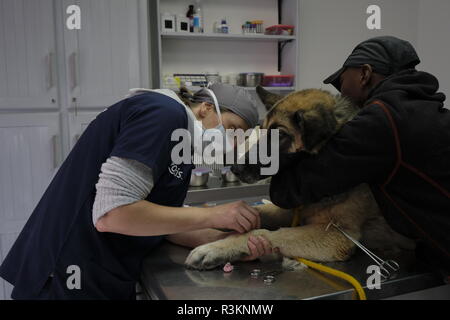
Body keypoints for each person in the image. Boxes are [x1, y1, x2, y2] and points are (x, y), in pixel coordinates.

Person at [0, 83, 274, 300]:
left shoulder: (182, 146)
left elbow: (163, 223)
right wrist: (214, 215)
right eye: (231, 129)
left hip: (101, 272)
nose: (230, 143)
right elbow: (113, 214)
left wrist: (229, 247)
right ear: (205, 108)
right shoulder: (164, 114)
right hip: (69, 274)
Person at [269, 36, 450, 276]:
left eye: (342, 81)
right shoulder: (425, 111)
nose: (340, 94)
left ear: (364, 74)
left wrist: (292, 143)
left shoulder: (383, 121)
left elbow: (289, 191)